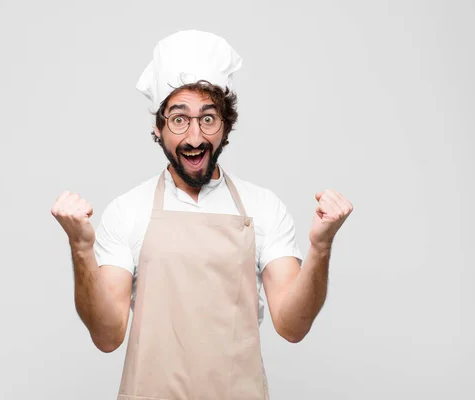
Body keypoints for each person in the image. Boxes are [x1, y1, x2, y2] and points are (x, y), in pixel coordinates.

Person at [51, 30, 353, 400]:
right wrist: (81, 249)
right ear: (159, 128)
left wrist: (321, 248)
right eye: (179, 120)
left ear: (225, 126)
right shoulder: (128, 210)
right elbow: (107, 335)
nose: (195, 136)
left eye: (208, 119)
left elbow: (292, 325)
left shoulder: (263, 206)